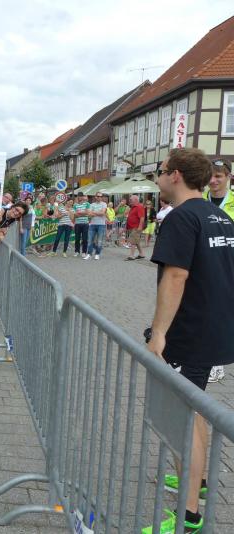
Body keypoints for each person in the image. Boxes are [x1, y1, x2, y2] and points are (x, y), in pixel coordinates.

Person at [144, 147, 234, 534]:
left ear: (176, 175)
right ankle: (197, 481)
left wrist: (158, 333)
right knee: (194, 411)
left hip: (190, 332)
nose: (158, 179)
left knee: (183, 418)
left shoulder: (180, 217)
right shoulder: (220, 216)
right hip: (214, 329)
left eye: (161, 171)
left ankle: (190, 514)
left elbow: (176, 276)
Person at [202, 158, 232, 384]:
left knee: (221, 313)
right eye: (210, 176)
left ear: (228, 177)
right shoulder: (199, 200)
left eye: (218, 176)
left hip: (228, 266)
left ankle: (216, 363)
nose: (213, 180)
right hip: (203, 264)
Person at [87, 192, 108, 260]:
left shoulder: (104, 204)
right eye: (98, 196)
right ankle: (89, 254)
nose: (99, 197)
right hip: (92, 224)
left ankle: (97, 254)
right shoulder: (92, 204)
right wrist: (99, 212)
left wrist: (93, 212)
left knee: (99, 240)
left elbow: (102, 213)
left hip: (101, 224)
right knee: (90, 240)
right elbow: (89, 214)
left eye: (101, 196)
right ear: (95, 197)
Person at [125, 194, 146, 260]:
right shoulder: (133, 207)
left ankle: (131, 255)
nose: (129, 200)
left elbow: (142, 218)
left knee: (133, 241)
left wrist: (140, 227)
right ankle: (141, 254)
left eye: (131, 199)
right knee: (136, 241)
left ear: (136, 200)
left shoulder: (139, 207)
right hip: (132, 227)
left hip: (136, 227)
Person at [72, 192, 90, 259]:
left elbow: (87, 212)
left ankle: (84, 252)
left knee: (85, 239)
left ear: (83, 197)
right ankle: (77, 251)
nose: (80, 197)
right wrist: (83, 213)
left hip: (85, 223)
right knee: (77, 238)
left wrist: (79, 213)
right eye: (78, 196)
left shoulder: (87, 204)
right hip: (77, 224)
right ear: (77, 197)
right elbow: (75, 215)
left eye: (81, 196)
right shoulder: (75, 205)